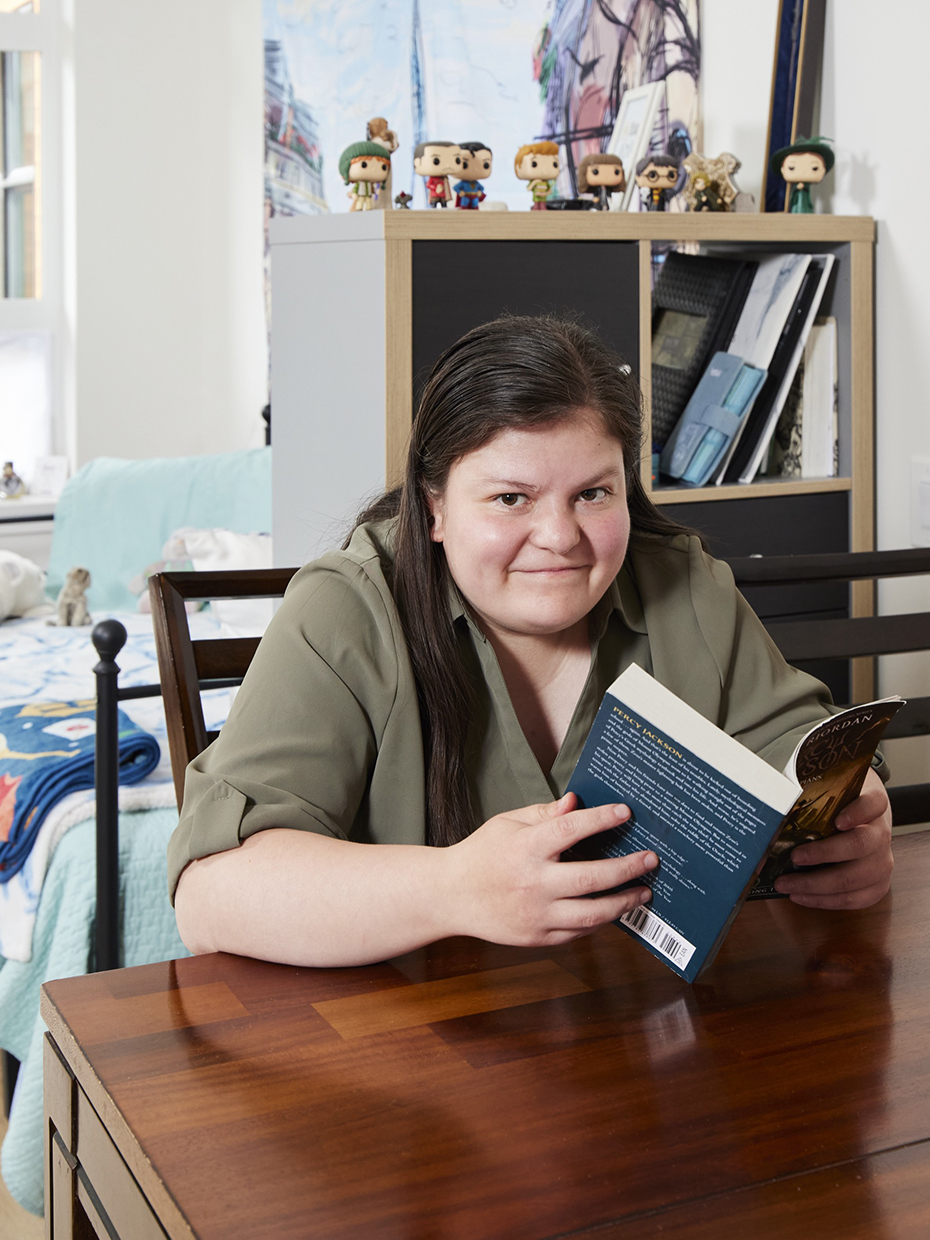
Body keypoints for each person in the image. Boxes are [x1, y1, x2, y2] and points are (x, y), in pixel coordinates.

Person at [170, 316, 893, 968]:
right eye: (511, 498)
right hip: (406, 1059)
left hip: (651, 1043)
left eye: (593, 493)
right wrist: (453, 889)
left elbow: (796, 748)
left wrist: (860, 825)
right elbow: (211, 895)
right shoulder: (346, 610)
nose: (560, 538)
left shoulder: (687, 585)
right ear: (435, 509)